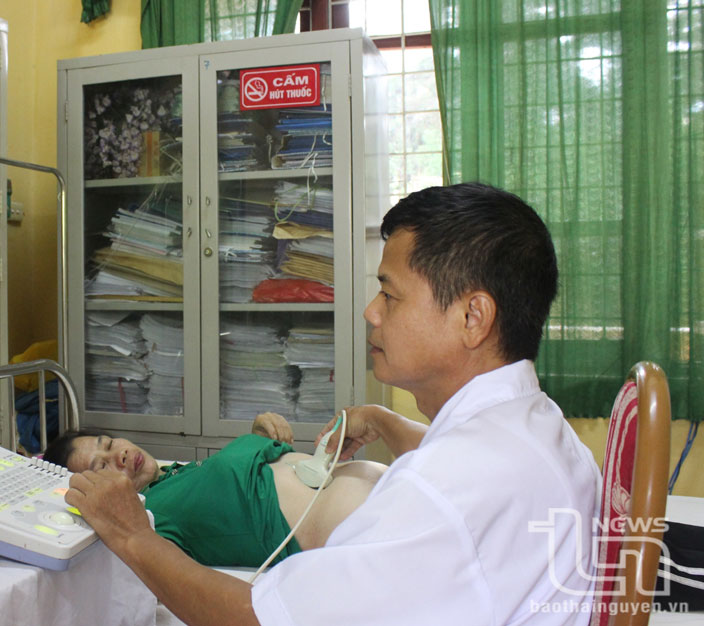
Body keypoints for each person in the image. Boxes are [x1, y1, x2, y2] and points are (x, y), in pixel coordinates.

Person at [66, 183, 601, 625]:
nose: (371, 312)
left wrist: (132, 535)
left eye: (389, 294)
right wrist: (383, 419)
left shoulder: (440, 493)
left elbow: (260, 619)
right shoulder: (538, 427)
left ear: (472, 318)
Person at [44, 412, 387, 567]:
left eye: (108, 443)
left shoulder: (177, 474)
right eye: (102, 467)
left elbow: (224, 496)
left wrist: (258, 436)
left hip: (382, 494)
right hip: (366, 526)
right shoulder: (148, 517)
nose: (117, 455)